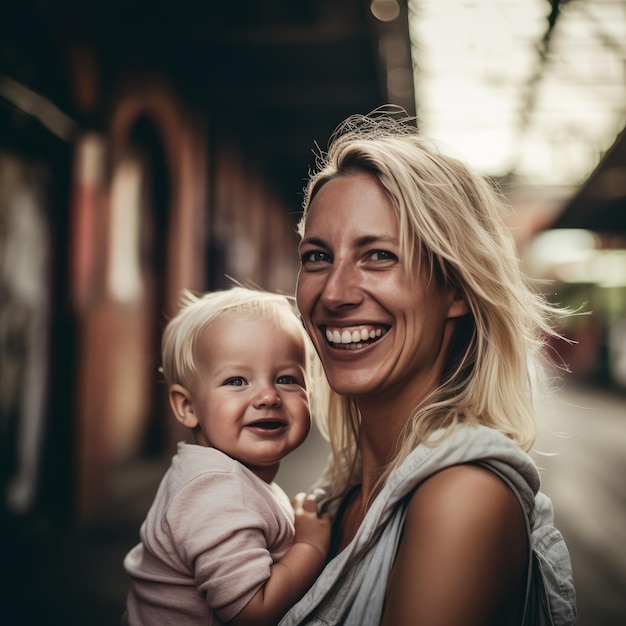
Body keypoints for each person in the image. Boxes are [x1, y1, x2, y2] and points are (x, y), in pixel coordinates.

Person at [279, 107, 576, 626]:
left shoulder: (461, 498)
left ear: (456, 290)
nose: (334, 293)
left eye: (379, 257)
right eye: (317, 257)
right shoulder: (339, 495)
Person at [123, 286, 331, 626]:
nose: (267, 396)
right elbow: (252, 613)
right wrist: (309, 547)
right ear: (188, 406)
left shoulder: (219, 476)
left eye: (286, 378)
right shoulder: (215, 492)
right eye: (237, 380)